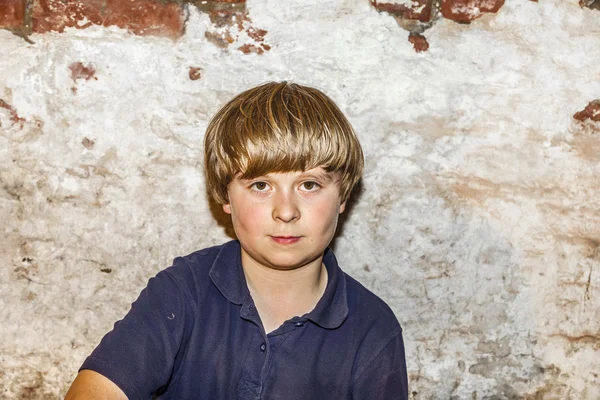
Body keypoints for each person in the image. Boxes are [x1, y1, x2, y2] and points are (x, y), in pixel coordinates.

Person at [65, 81, 408, 399]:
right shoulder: (184, 291)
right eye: (260, 185)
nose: (286, 211)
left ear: (342, 196)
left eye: (309, 185)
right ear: (225, 196)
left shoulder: (373, 330)